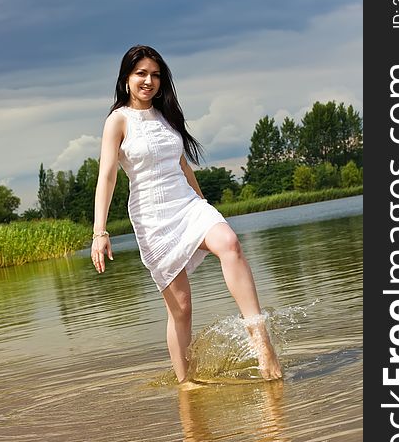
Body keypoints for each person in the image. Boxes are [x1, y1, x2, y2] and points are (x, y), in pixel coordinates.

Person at [91, 45, 282, 383]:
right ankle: (187, 384)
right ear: (126, 79)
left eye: (156, 75)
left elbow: (182, 166)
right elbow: (107, 175)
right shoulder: (117, 121)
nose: (149, 81)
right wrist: (100, 231)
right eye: (141, 74)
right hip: (151, 216)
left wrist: (206, 207)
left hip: (187, 204)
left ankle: (261, 343)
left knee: (229, 242)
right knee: (181, 308)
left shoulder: (167, 116)